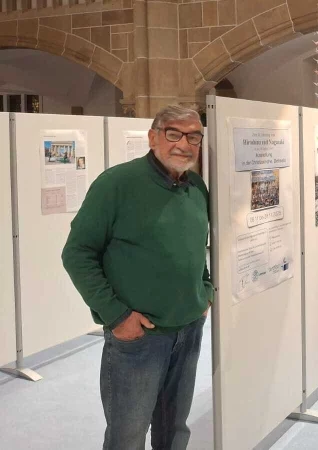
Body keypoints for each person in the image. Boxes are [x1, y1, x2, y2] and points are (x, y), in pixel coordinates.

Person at [61, 105, 212, 450]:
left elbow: (194, 246)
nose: (183, 144)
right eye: (173, 133)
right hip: (138, 337)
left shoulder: (196, 186)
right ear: (153, 136)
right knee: (127, 435)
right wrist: (116, 316)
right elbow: (77, 253)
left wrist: (204, 291)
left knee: (174, 429)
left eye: (193, 136)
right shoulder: (117, 184)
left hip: (188, 328)